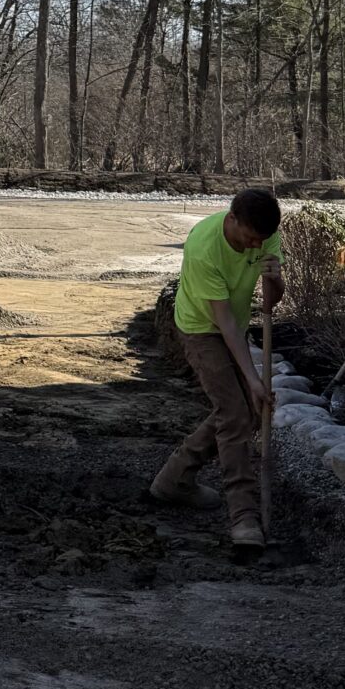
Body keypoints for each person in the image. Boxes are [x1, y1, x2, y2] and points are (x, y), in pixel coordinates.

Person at [150, 186, 285, 552]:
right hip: (199, 327)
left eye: (263, 240)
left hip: (233, 325)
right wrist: (254, 380)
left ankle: (173, 479)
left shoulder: (265, 233)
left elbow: (273, 301)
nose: (256, 246)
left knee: (242, 413)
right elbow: (222, 324)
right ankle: (243, 516)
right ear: (232, 220)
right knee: (236, 415)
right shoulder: (204, 248)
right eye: (250, 238)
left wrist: (274, 278)